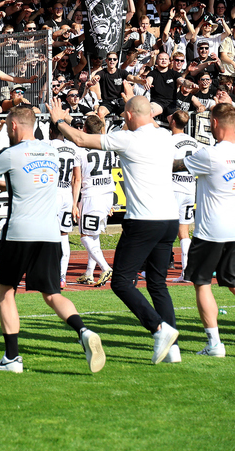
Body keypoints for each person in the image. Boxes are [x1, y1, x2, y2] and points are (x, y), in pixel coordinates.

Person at [0, 106, 105, 374]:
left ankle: (12, 358)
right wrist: (7, 185)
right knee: (52, 294)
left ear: (13, 126)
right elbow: (34, 181)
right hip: (49, 235)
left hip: (19, 233)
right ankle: (82, 330)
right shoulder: (51, 151)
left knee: (6, 291)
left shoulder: (10, 154)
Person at [50, 96, 180, 365]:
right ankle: (173, 350)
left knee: (121, 281)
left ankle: (159, 329)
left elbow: (82, 140)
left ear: (131, 116)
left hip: (144, 220)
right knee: (158, 284)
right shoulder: (166, 136)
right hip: (170, 219)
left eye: (124, 115)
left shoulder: (128, 139)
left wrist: (59, 120)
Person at [174, 103, 235, 357]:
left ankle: (214, 344)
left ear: (215, 123)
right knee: (232, 281)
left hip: (211, 230)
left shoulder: (211, 154)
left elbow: (177, 165)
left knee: (201, 282)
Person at [74, 116, 116, 287]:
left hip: (92, 195)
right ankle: (89, 273)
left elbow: (77, 180)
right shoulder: (108, 149)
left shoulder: (80, 151)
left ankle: (105, 267)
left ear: (84, 129)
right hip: (107, 193)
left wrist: (73, 202)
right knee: (94, 234)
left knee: (84, 235)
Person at [49, 122, 82, 288]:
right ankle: (62, 276)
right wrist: (74, 203)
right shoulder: (73, 149)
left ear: (50, 131)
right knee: (63, 235)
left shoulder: (47, 146)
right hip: (67, 195)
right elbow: (77, 179)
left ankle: (48, 273)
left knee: (46, 234)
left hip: (52, 194)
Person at [168, 110, 199, 282]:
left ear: (173, 121)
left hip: (174, 189)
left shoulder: (169, 141)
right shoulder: (195, 142)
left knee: (164, 230)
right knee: (184, 232)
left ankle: (153, 269)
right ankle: (186, 272)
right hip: (190, 188)